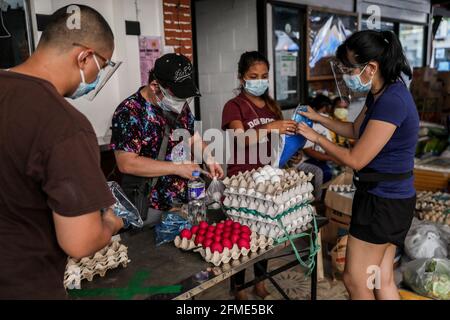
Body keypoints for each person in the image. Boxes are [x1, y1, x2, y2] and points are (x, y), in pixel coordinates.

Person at [0, 5, 124, 299]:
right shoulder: (63, 124)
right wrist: (109, 223)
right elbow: (80, 242)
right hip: (26, 287)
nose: (99, 76)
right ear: (84, 56)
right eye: (102, 65)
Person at [297, 30, 419, 300]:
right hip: (391, 200)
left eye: (348, 68)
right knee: (381, 278)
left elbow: (356, 159)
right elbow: (354, 129)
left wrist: (315, 137)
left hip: (382, 203)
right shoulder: (382, 92)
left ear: (371, 67)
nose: (344, 76)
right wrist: (318, 118)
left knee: (354, 279)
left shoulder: (391, 101)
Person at [222, 51, 297, 300]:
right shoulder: (234, 106)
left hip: (267, 179)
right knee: (242, 238)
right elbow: (241, 140)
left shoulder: (273, 106)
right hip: (241, 181)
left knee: (266, 234)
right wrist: (269, 127)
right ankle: (239, 287)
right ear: (241, 78)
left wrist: (291, 154)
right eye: (253, 76)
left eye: (264, 76)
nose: (259, 80)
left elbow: (278, 144)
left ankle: (260, 282)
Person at [112, 53, 223, 220]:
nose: (182, 102)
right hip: (151, 206)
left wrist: (209, 158)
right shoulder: (129, 112)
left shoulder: (179, 106)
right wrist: (177, 167)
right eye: (176, 96)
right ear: (155, 86)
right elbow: (126, 163)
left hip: (186, 203)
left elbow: (193, 137)